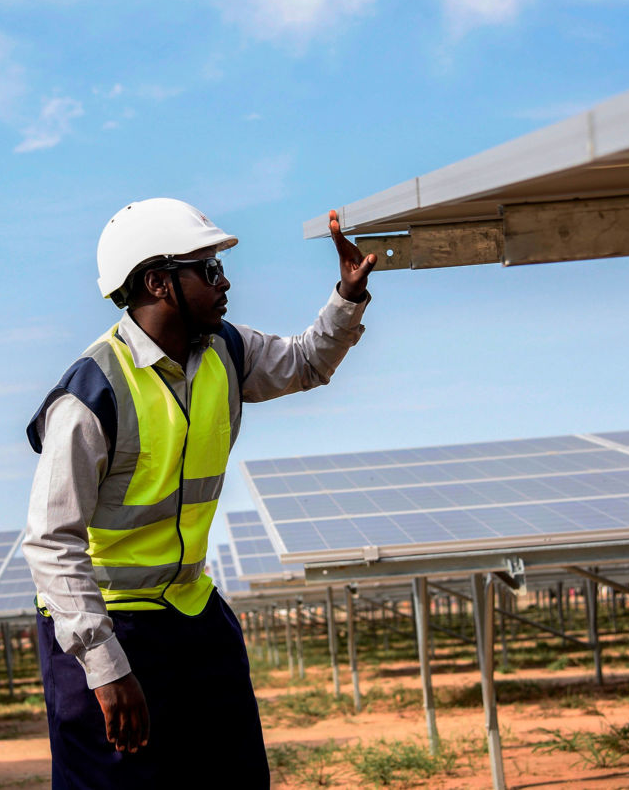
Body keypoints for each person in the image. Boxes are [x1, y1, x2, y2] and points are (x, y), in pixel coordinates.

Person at [22, 198, 375, 789]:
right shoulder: (91, 395)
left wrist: (347, 296)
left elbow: (309, 362)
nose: (225, 281)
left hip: (191, 612)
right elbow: (50, 542)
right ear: (159, 283)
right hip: (107, 627)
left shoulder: (225, 352)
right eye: (208, 270)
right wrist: (106, 669)